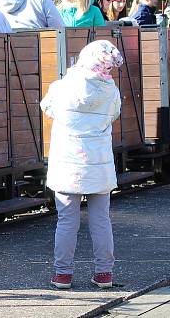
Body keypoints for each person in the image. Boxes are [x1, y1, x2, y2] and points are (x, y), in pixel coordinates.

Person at [40, 40, 123, 290]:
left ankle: (63, 274)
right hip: (99, 165)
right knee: (101, 220)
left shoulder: (63, 86)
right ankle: (104, 274)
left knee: (66, 221)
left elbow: (47, 108)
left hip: (69, 164)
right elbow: (114, 115)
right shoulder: (111, 90)